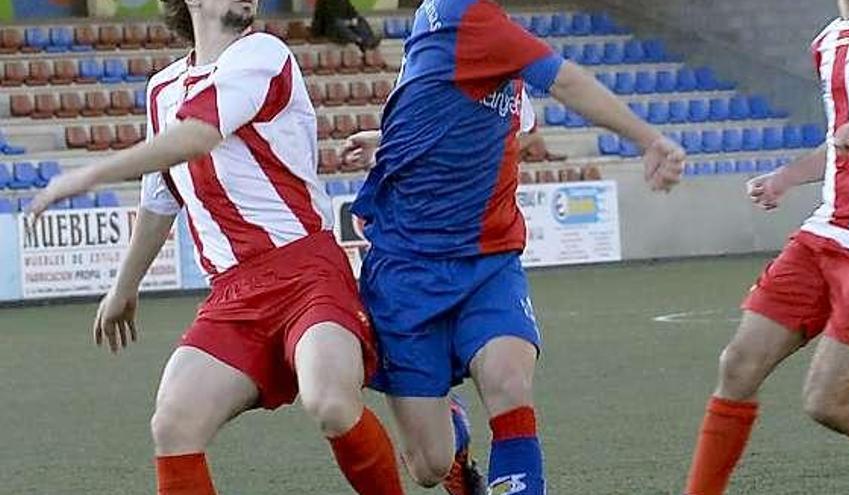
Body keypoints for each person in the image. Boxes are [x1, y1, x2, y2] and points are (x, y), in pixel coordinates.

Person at [29, 0, 405, 493]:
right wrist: (124, 287)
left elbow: (198, 136)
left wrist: (91, 174)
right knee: (173, 423)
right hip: (233, 294)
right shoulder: (161, 90)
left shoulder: (264, 55)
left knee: (330, 401)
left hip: (307, 273)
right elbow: (161, 198)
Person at [340, 1, 685, 493]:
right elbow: (567, 82)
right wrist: (649, 139)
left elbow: (443, 104)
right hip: (406, 269)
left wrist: (390, 140)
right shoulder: (462, 15)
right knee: (428, 466)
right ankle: (452, 431)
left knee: (508, 380)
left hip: (488, 260)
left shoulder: (491, 42)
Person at [683, 2, 849, 494]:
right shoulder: (829, 38)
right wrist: (785, 178)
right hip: (825, 233)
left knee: (828, 401)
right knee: (738, 364)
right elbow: (841, 140)